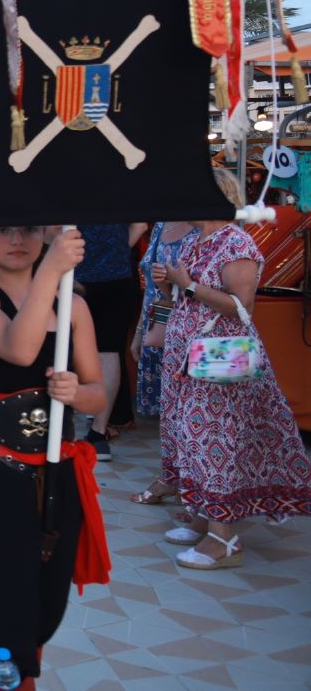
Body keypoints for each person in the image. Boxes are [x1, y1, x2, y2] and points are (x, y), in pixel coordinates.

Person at [0, 226, 109, 691]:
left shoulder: (73, 305)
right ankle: (7, 672)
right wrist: (52, 271)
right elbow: (19, 348)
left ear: (46, 234)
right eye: (2, 230)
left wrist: (78, 393)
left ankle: (3, 639)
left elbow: (99, 396)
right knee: (13, 592)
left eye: (29, 230)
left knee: (48, 602)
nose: (16, 239)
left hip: (59, 470)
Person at [151, 170, 311, 569]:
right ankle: (205, 518)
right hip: (193, 356)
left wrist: (186, 285)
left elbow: (242, 308)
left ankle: (224, 539)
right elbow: (189, 295)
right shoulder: (200, 241)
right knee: (191, 436)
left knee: (213, 438)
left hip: (222, 353)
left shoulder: (235, 242)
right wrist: (170, 285)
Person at [75, 223, 142, 461]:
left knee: (66, 344)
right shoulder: (123, 187)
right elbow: (141, 223)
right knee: (108, 349)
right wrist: (114, 252)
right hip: (117, 274)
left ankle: (68, 422)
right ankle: (99, 432)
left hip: (77, 273)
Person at [128, 221, 196, 425]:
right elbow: (150, 286)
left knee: (188, 409)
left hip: (188, 326)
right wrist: (140, 332)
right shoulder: (161, 226)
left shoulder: (202, 229)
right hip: (158, 322)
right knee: (169, 416)